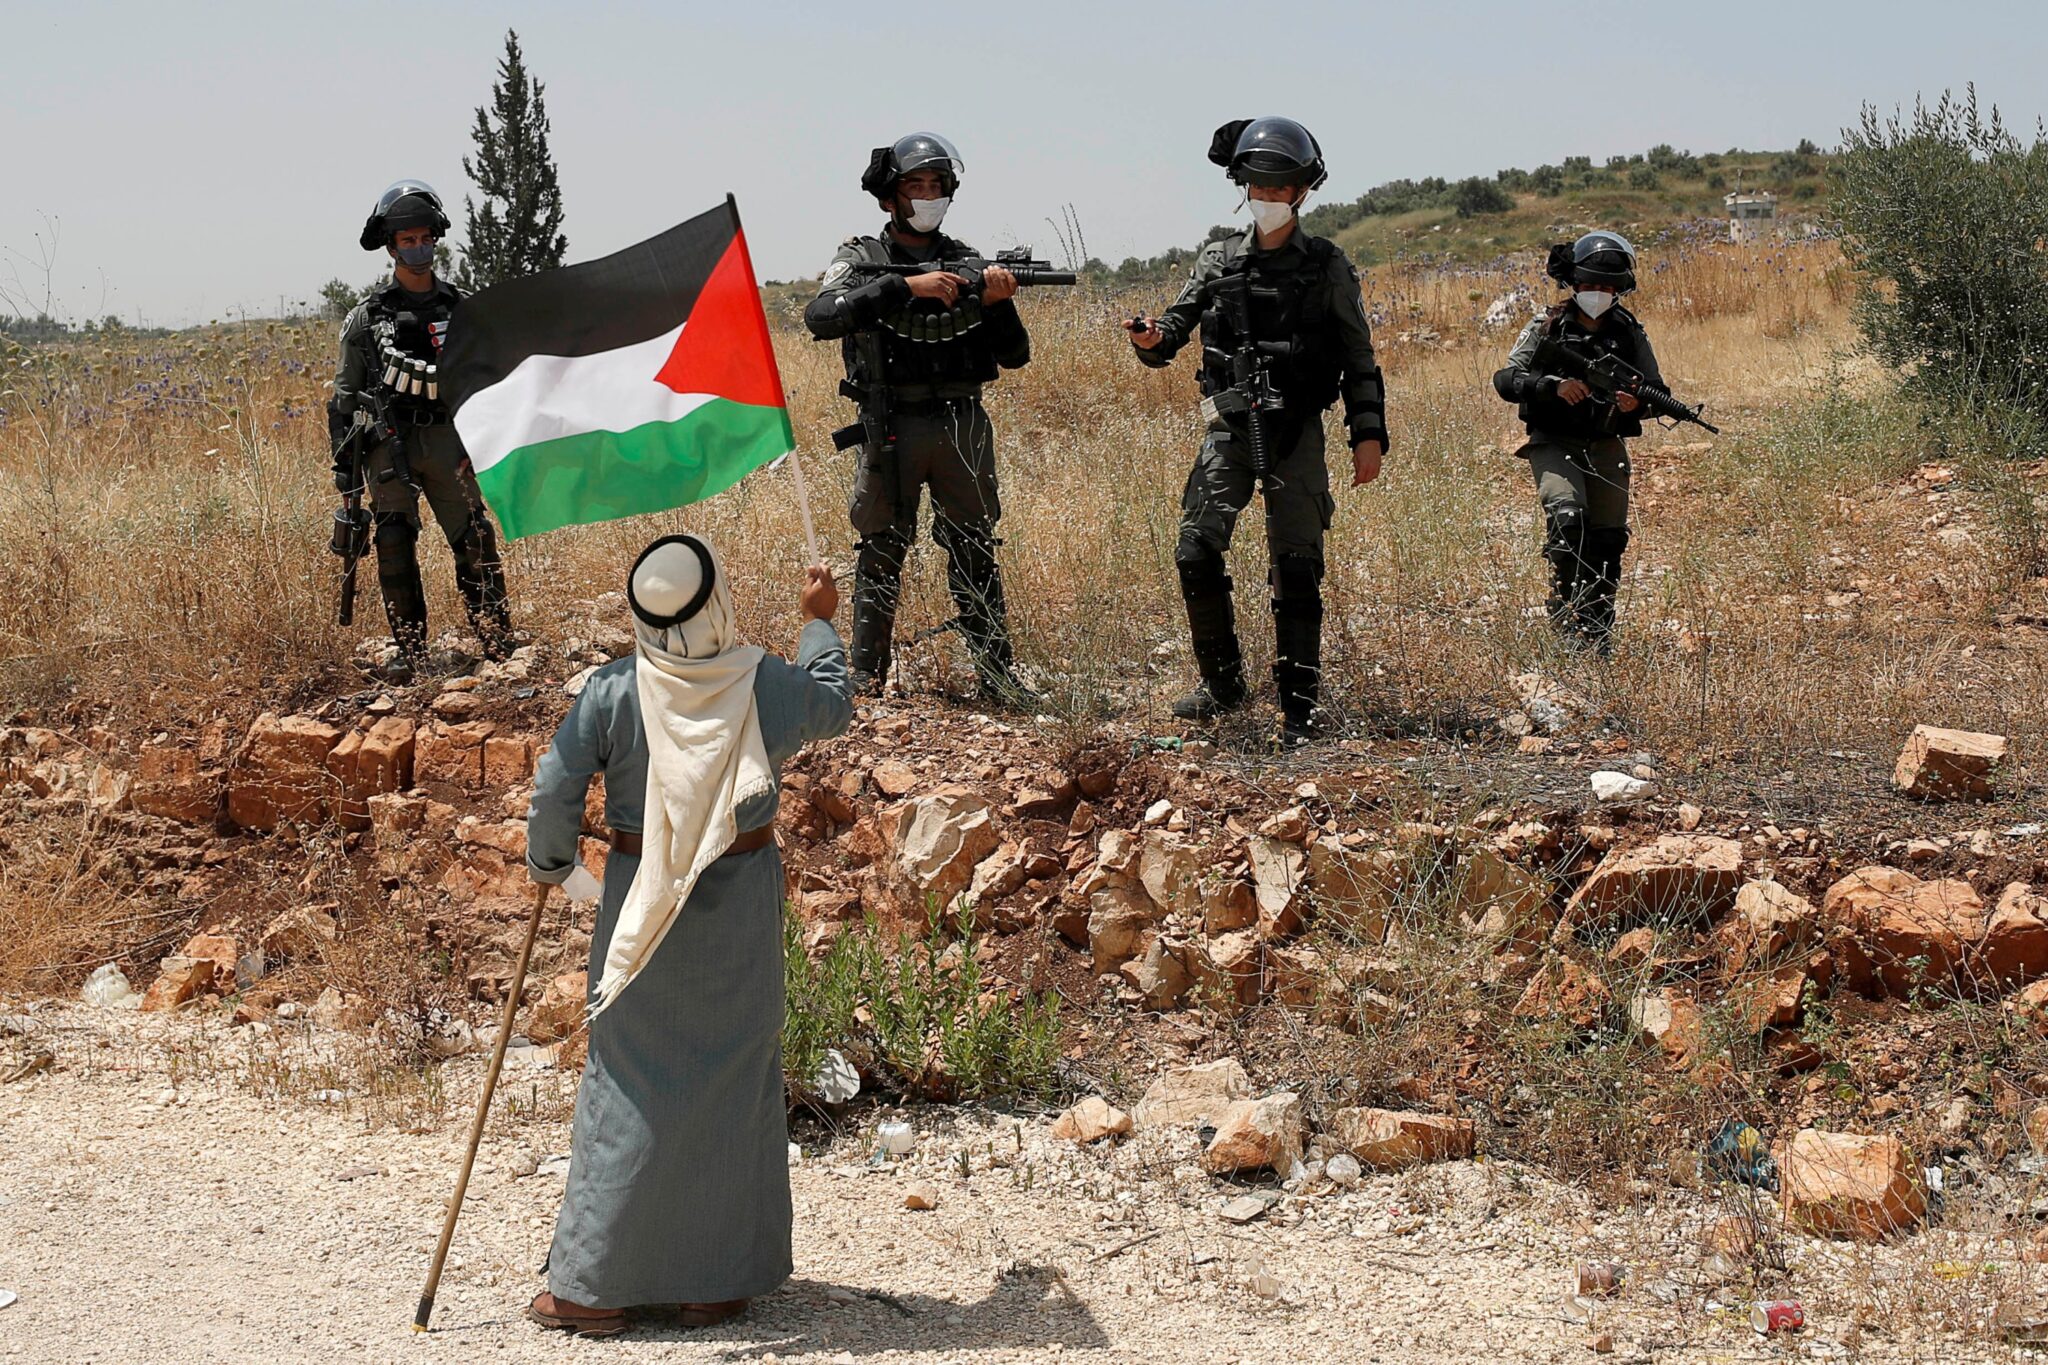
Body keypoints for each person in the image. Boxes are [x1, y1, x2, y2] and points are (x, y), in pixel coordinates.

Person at [523, 538, 853, 1337]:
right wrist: (818, 622)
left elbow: (556, 784)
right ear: (717, 605)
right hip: (738, 901)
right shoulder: (758, 685)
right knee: (732, 1076)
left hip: (640, 901)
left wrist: (556, 866)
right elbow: (832, 700)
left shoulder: (611, 690)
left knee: (627, 1078)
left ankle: (594, 1289)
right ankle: (715, 1281)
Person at [1126, 118, 1390, 745]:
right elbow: (1174, 328)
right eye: (1259, 186)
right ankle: (1222, 686)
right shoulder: (1218, 257)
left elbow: (1359, 356)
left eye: (1283, 187)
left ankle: (1299, 705)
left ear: (1303, 191)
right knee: (1195, 547)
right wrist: (1150, 338)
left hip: (1297, 428)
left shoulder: (1327, 265)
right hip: (1229, 424)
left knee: (1296, 566)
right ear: (1242, 186)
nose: (1269, 198)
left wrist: (1368, 433)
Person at [803, 132, 1038, 707]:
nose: (927, 196)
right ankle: (865, 675)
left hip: (961, 422)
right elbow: (822, 315)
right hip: (890, 422)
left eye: (936, 186)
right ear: (890, 197)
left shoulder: (966, 261)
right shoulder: (863, 260)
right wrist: (905, 286)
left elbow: (1014, 356)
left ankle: (997, 677)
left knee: (974, 547)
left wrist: (997, 301)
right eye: (915, 186)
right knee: (882, 547)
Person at [331, 180, 513, 679]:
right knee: (392, 544)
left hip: (453, 443)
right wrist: (344, 475)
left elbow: (490, 384)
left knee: (475, 540)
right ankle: (412, 655)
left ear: (437, 238)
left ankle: (498, 645)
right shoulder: (366, 319)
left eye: (424, 237)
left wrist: (482, 445)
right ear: (390, 246)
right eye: (406, 240)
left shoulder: (465, 309)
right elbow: (344, 400)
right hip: (390, 446)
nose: (417, 248)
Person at [1492, 231, 1659, 653]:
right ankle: (1567, 620)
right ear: (1575, 284)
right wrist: (1553, 386)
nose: (1598, 294)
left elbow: (1656, 390)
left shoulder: (1629, 333)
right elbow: (1507, 379)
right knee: (1567, 519)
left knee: (1608, 540)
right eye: (1590, 286)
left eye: (1607, 287)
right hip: (1553, 442)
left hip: (1605, 444)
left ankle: (1597, 631)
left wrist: (1634, 402)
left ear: (1619, 288)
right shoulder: (1547, 325)